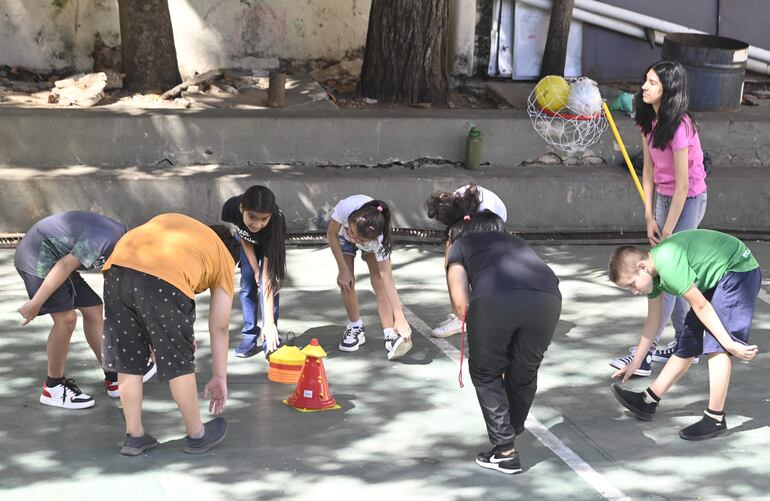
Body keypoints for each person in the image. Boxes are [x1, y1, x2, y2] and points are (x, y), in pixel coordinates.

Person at [101, 213, 240, 456]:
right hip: (164, 279)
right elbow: (220, 326)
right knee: (178, 360)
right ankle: (197, 434)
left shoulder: (185, 229)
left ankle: (135, 436)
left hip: (117, 268)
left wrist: (160, 334)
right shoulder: (224, 257)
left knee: (128, 358)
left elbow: (142, 287)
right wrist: (220, 376)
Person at [608, 229, 760, 440]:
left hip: (738, 271)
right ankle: (648, 400)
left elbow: (701, 306)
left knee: (717, 345)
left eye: (631, 284)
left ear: (642, 267)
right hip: (718, 276)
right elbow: (654, 322)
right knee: (689, 340)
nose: (634, 291)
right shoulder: (654, 274)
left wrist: (729, 343)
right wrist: (636, 362)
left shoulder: (668, 265)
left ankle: (715, 418)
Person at [610, 60, 708, 377]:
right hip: (664, 198)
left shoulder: (679, 127)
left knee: (664, 272)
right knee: (674, 274)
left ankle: (645, 354)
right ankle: (687, 344)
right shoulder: (647, 121)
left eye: (652, 82)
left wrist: (666, 234)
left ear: (668, 89)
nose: (644, 87)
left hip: (688, 200)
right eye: (646, 80)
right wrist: (649, 215)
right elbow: (649, 171)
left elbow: (683, 187)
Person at [446, 211, 561, 474]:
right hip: (549, 298)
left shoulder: (460, 246)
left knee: (485, 372)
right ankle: (511, 429)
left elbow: (461, 304)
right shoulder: (518, 242)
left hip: (495, 297)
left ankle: (505, 451)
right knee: (525, 370)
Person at [14, 211, 154, 409]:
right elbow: (64, 265)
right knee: (66, 319)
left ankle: (113, 376)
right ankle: (53, 387)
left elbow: (121, 293)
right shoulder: (103, 240)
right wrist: (36, 303)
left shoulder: (121, 243)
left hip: (58, 259)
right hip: (37, 256)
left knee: (94, 308)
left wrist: (149, 340)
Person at [326, 195, 412, 360]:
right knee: (346, 281)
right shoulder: (345, 208)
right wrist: (343, 269)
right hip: (342, 238)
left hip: (370, 244)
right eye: (353, 233)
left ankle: (390, 334)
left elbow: (387, 279)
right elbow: (331, 235)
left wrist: (400, 317)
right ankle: (356, 327)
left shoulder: (380, 239)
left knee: (379, 281)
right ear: (351, 220)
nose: (355, 240)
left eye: (360, 240)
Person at [426, 184, 508, 338]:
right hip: (469, 220)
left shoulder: (487, 211)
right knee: (451, 262)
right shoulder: (454, 202)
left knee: (479, 269)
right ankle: (459, 317)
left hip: (492, 224)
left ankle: (479, 315)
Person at [221, 185, 286, 358]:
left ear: (270, 215)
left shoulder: (276, 224)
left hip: (270, 244)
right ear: (242, 208)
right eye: (252, 217)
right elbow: (244, 236)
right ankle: (249, 336)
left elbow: (268, 278)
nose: (257, 224)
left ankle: (269, 337)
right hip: (248, 243)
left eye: (264, 218)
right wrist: (255, 269)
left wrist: (269, 323)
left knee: (269, 287)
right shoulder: (231, 207)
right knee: (247, 285)